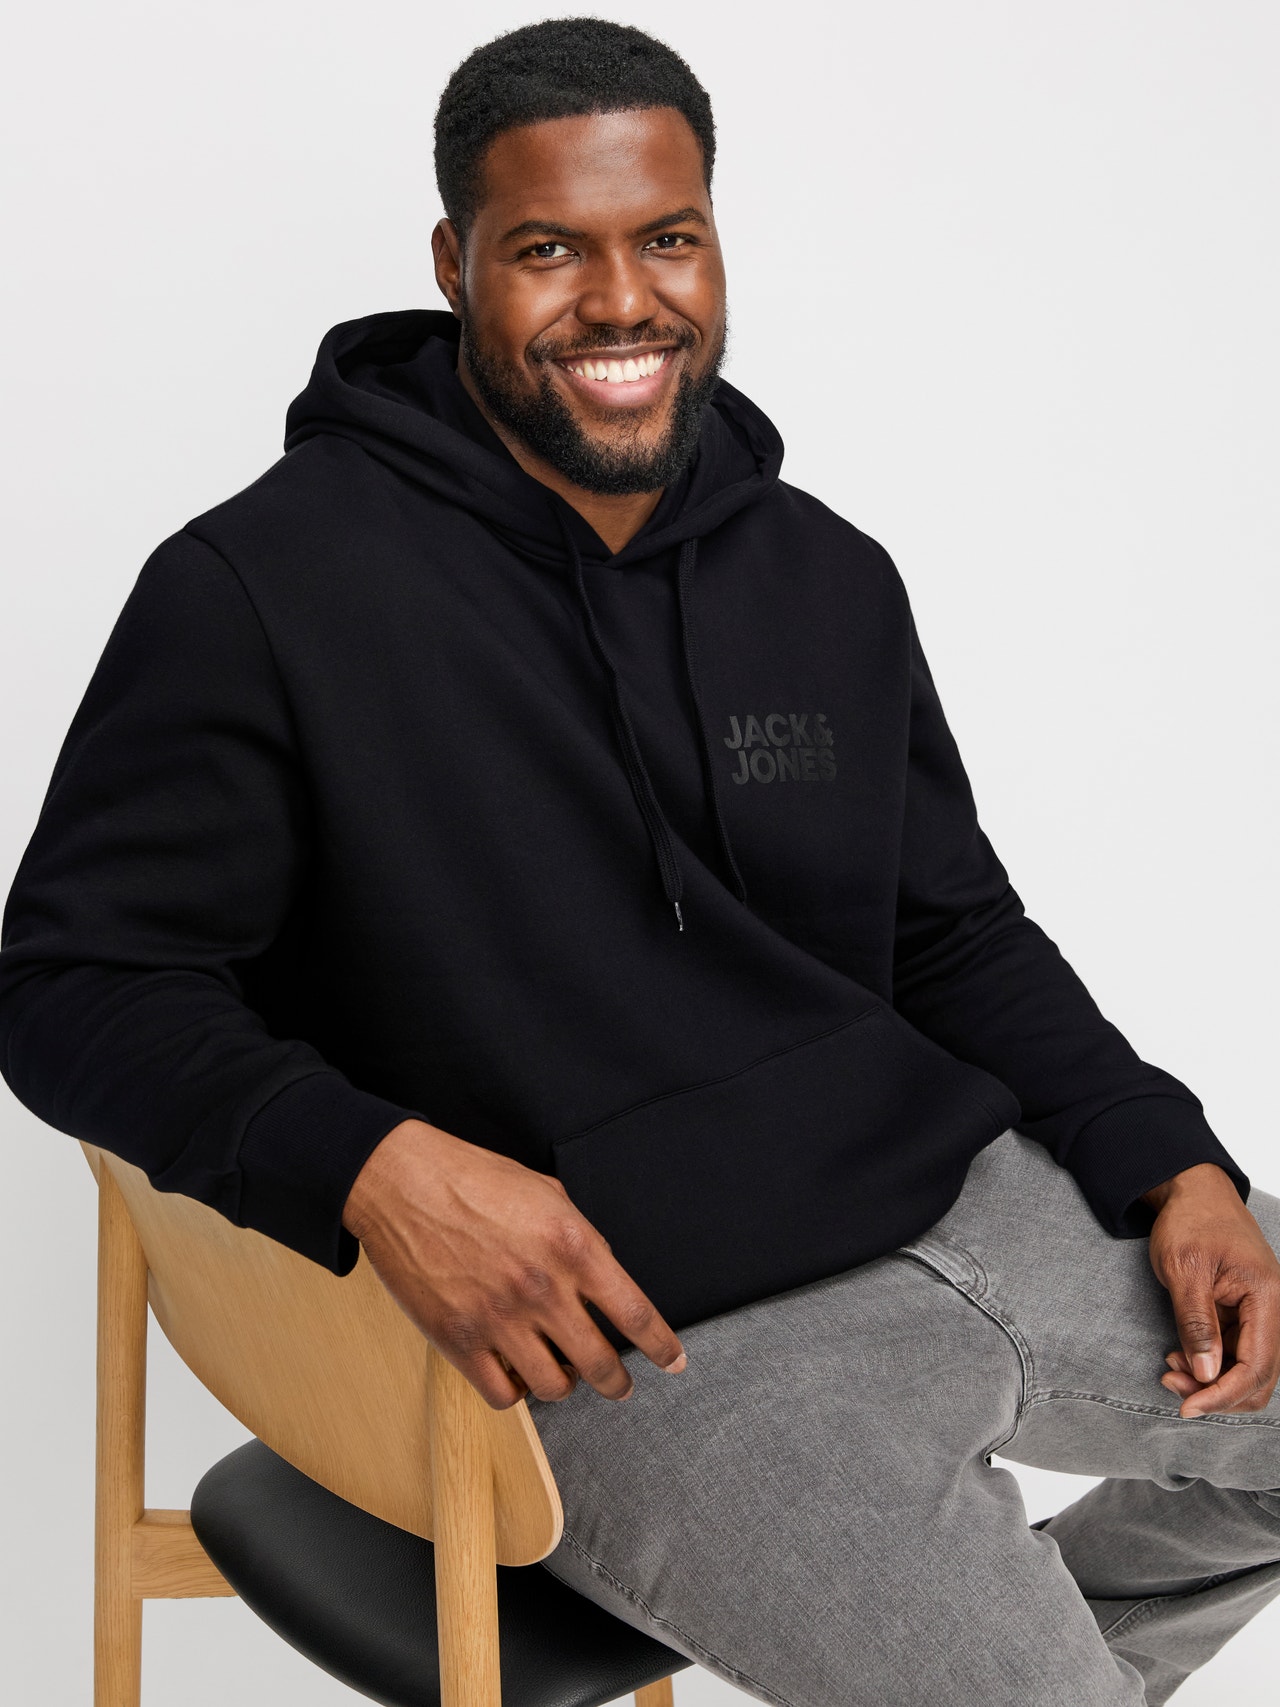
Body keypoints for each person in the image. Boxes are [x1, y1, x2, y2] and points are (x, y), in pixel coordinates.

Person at [1, 16, 1277, 1704]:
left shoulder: (824, 576)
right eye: (550, 250)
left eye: (667, 238)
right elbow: (75, 985)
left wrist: (1172, 1160)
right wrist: (377, 1165)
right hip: (629, 1343)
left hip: (950, 1199)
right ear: (454, 264)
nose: (623, 302)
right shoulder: (262, 589)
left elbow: (952, 933)